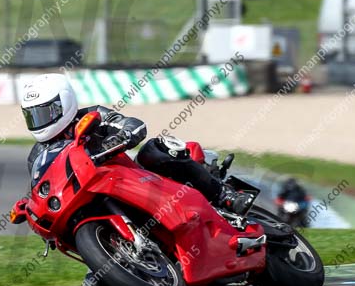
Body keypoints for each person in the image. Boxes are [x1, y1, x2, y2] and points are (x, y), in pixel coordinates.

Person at [21, 73, 253, 214]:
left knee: (156, 148)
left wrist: (120, 137)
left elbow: (134, 125)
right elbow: (40, 188)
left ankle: (224, 195)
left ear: (65, 102)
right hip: (90, 195)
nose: (40, 122)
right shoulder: (36, 155)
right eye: (33, 116)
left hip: (132, 177)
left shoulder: (92, 116)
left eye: (45, 113)